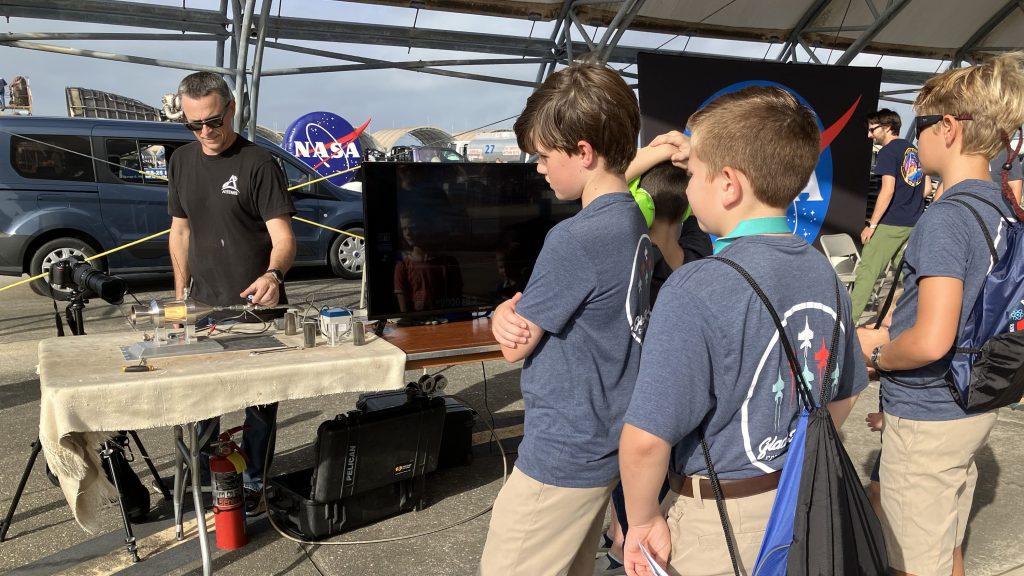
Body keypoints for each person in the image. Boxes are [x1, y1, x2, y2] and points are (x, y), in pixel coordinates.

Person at [619, 86, 867, 576]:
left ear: (728, 185)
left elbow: (647, 440)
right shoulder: (823, 272)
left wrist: (644, 518)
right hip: (801, 499)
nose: (687, 191)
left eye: (691, 176)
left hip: (719, 524)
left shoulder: (695, 286)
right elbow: (844, 394)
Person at [479, 63, 652, 576]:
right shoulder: (632, 219)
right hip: (605, 442)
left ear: (583, 152)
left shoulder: (574, 238)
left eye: (544, 155)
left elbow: (515, 345)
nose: (538, 168)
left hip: (562, 454)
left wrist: (501, 313)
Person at [857, 53, 1024, 576]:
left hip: (930, 410)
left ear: (948, 129)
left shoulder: (947, 219)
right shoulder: (999, 209)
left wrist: (879, 354)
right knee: (947, 543)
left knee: (910, 561)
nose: (914, 139)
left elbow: (931, 341)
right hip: (973, 405)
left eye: (919, 126)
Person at [167, 71, 297, 515]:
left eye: (213, 122)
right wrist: (179, 295)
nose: (205, 132)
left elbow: (283, 238)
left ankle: (255, 481)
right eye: (194, 124)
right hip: (203, 306)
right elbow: (179, 231)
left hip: (256, 309)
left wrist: (273, 276)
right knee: (203, 400)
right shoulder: (181, 161)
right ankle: (211, 478)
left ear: (231, 109)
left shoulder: (258, 164)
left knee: (259, 405)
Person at [596, 154, 694, 576]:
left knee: (630, 476)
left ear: (642, 205)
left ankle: (623, 542)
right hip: (682, 398)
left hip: (638, 395)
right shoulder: (698, 255)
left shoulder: (637, 256)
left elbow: (592, 205)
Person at [850, 109, 930, 323]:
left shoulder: (888, 151)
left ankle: (848, 323)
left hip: (891, 222)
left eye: (872, 129)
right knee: (906, 274)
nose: (869, 135)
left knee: (868, 270)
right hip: (913, 221)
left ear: (887, 127)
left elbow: (887, 190)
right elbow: (927, 189)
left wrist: (872, 224)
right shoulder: (913, 150)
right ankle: (916, 318)